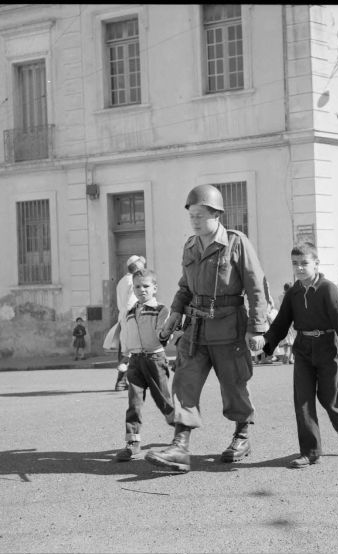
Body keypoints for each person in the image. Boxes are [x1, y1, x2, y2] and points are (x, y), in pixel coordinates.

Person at [144, 184, 268, 473]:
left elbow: (256, 287)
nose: (195, 220)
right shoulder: (190, 246)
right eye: (192, 215)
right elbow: (185, 287)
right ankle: (180, 447)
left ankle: (242, 435)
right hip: (196, 328)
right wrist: (175, 312)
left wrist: (257, 328)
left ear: (217, 215)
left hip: (229, 327)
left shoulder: (236, 243)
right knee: (184, 382)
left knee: (234, 384)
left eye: (200, 215)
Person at [261, 242, 338, 468]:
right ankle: (310, 452)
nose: (300, 268)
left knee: (329, 397)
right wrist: (267, 345)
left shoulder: (327, 289)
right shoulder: (293, 292)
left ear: (316, 264)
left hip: (327, 347)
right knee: (302, 400)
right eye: (295, 264)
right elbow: (281, 322)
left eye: (304, 263)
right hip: (303, 349)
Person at [115, 269, 175, 461]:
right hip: (135, 361)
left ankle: (181, 433)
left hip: (155, 359)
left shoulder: (161, 310)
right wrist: (125, 356)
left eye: (146, 286)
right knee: (134, 403)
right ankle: (132, 443)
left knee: (164, 401)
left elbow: (162, 333)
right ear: (133, 289)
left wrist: (165, 334)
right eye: (137, 286)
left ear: (154, 288)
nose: (142, 290)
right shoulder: (130, 312)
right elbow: (126, 335)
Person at [114, 255, 146, 391]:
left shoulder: (122, 280)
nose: (144, 267)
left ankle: (122, 382)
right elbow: (131, 303)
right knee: (134, 351)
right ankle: (127, 382)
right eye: (142, 265)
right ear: (137, 267)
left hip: (123, 318)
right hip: (131, 318)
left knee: (125, 350)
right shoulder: (133, 281)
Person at [277, 282, 296, 364]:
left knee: (286, 338)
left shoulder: (280, 297)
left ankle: (287, 354)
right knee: (292, 339)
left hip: (282, 318)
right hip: (292, 319)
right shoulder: (293, 296)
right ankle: (289, 356)